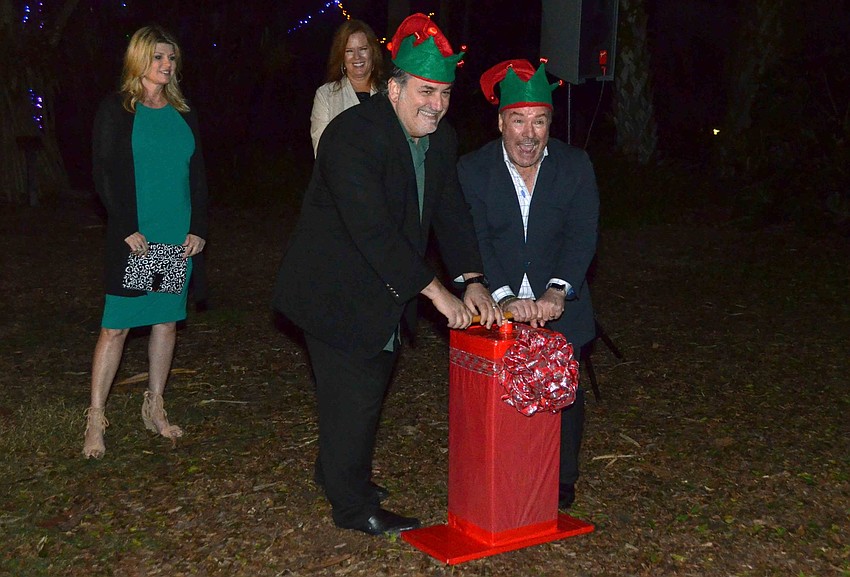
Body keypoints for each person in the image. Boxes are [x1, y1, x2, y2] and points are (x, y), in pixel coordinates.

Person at [273, 14, 501, 536]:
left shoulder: (440, 140)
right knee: (354, 390)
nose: (436, 105)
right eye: (425, 91)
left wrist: (472, 277)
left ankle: (337, 473)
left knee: (363, 389)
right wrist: (437, 295)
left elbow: (451, 211)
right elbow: (372, 230)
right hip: (332, 289)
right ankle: (353, 508)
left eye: (444, 93)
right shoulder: (350, 136)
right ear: (394, 87)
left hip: (386, 285)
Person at [457, 59, 600, 510]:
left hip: (561, 304)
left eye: (539, 121)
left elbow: (583, 235)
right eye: (518, 120)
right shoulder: (473, 169)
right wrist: (503, 298)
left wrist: (556, 291)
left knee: (564, 394)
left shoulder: (576, 166)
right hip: (497, 307)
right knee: (499, 397)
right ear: (501, 121)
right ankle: (508, 471)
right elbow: (476, 237)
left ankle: (562, 479)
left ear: (550, 124)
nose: (529, 133)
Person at [83, 25, 209, 459]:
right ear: (139, 59)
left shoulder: (181, 110)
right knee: (116, 326)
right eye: (158, 57)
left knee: (164, 321)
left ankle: (154, 407)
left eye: (171, 58)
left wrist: (199, 228)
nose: (166, 65)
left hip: (175, 232)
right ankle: (96, 419)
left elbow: (197, 175)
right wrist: (124, 225)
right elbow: (102, 173)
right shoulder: (119, 110)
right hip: (137, 236)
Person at [310, 19, 384, 157]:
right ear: (341, 56)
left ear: (373, 52)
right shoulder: (326, 95)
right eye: (349, 51)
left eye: (363, 49)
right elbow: (321, 151)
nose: (357, 57)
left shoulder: (390, 93)